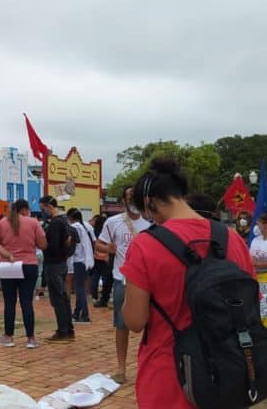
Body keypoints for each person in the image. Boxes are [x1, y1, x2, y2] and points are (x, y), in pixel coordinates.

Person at [121, 158, 255, 409]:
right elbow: (250, 304)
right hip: (228, 369)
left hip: (170, 373)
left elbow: (135, 322)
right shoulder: (233, 239)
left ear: (150, 203)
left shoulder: (145, 244)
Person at [95, 185, 150, 384]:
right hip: (122, 278)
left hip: (146, 281)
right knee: (121, 324)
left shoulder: (150, 224)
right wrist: (108, 248)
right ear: (123, 201)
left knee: (151, 325)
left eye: (135, 196)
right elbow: (99, 244)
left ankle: (147, 367)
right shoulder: (112, 222)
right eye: (129, 197)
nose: (133, 200)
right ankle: (121, 368)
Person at [0, 199, 47, 349]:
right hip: (29, 265)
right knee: (26, 302)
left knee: (9, 302)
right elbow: (43, 245)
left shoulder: (2, 223)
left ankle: (8, 337)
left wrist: (7, 253)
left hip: (8, 266)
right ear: (25, 209)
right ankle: (31, 339)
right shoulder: (34, 223)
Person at [39, 196, 75, 342]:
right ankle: (68, 329)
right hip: (62, 263)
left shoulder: (55, 224)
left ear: (49, 206)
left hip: (54, 264)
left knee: (58, 299)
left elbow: (52, 246)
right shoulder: (65, 221)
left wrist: (42, 244)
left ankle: (63, 331)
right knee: (63, 297)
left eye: (43, 208)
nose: (43, 212)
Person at [67, 208, 95, 324]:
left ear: (71, 218)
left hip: (79, 260)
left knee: (79, 289)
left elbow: (71, 244)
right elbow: (94, 240)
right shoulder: (86, 226)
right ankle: (77, 313)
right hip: (86, 260)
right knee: (80, 288)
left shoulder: (75, 227)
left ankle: (85, 315)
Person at [89, 214, 112, 308]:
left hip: (96, 257)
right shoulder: (106, 232)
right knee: (106, 279)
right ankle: (104, 297)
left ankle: (94, 295)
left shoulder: (94, 231)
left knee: (95, 276)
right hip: (106, 258)